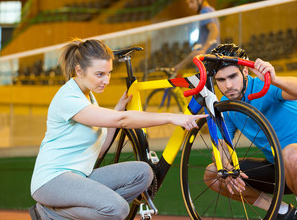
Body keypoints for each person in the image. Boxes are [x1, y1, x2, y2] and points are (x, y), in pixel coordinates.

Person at [29, 38, 207, 220]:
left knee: (144, 173)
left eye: (109, 73)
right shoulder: (68, 99)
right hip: (52, 181)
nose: (106, 80)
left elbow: (99, 151)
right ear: (79, 71)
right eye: (99, 74)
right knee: (118, 209)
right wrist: (172, 117)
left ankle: (95, 212)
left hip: (80, 177)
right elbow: (122, 120)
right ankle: (47, 213)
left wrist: (117, 110)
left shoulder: (88, 96)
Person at [203, 43, 297, 220]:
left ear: (245, 72)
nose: (228, 85)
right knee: (214, 174)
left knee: (292, 153)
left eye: (233, 76)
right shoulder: (228, 107)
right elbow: (221, 147)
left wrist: (275, 79)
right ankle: (282, 212)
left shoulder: (265, 87)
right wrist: (226, 166)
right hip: (279, 169)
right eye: (221, 80)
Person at [174, 0, 220, 71]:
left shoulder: (205, 11)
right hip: (208, 60)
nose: (190, 6)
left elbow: (214, 31)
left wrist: (203, 49)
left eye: (191, 1)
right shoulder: (210, 10)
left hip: (208, 61)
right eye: (188, 3)